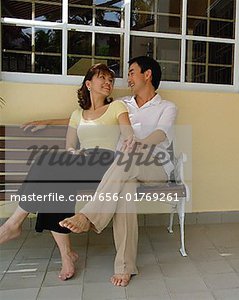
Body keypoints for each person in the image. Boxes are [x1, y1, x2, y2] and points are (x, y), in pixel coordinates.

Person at [21, 56, 178, 287]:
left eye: (132, 72)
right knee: (125, 189)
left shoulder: (167, 107)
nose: (128, 78)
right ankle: (125, 266)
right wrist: (49, 122)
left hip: (154, 165)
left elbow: (162, 134)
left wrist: (140, 143)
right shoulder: (123, 104)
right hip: (123, 170)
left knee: (126, 161)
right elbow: (87, 118)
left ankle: (87, 216)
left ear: (148, 75)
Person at [0, 64, 133, 281]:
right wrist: (74, 153)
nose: (108, 83)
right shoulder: (77, 114)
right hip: (82, 162)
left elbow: (127, 132)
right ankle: (67, 255)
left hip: (106, 163)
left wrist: (129, 141)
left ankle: (13, 224)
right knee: (55, 184)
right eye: (103, 78)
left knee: (48, 165)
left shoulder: (117, 107)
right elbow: (70, 145)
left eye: (111, 80)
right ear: (89, 84)